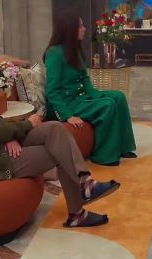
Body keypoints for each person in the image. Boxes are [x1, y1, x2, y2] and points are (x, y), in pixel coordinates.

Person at [0, 47, 120, 228]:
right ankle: (78, 212)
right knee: (58, 151)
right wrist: (26, 125)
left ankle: (84, 183)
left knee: (55, 129)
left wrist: (8, 136)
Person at [44, 10, 137, 166]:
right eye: (80, 26)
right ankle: (104, 156)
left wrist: (96, 95)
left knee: (118, 97)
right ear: (70, 29)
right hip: (65, 104)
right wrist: (68, 116)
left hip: (80, 98)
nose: (84, 29)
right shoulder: (54, 53)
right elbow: (51, 91)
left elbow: (84, 78)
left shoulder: (75, 49)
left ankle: (123, 147)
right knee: (107, 105)